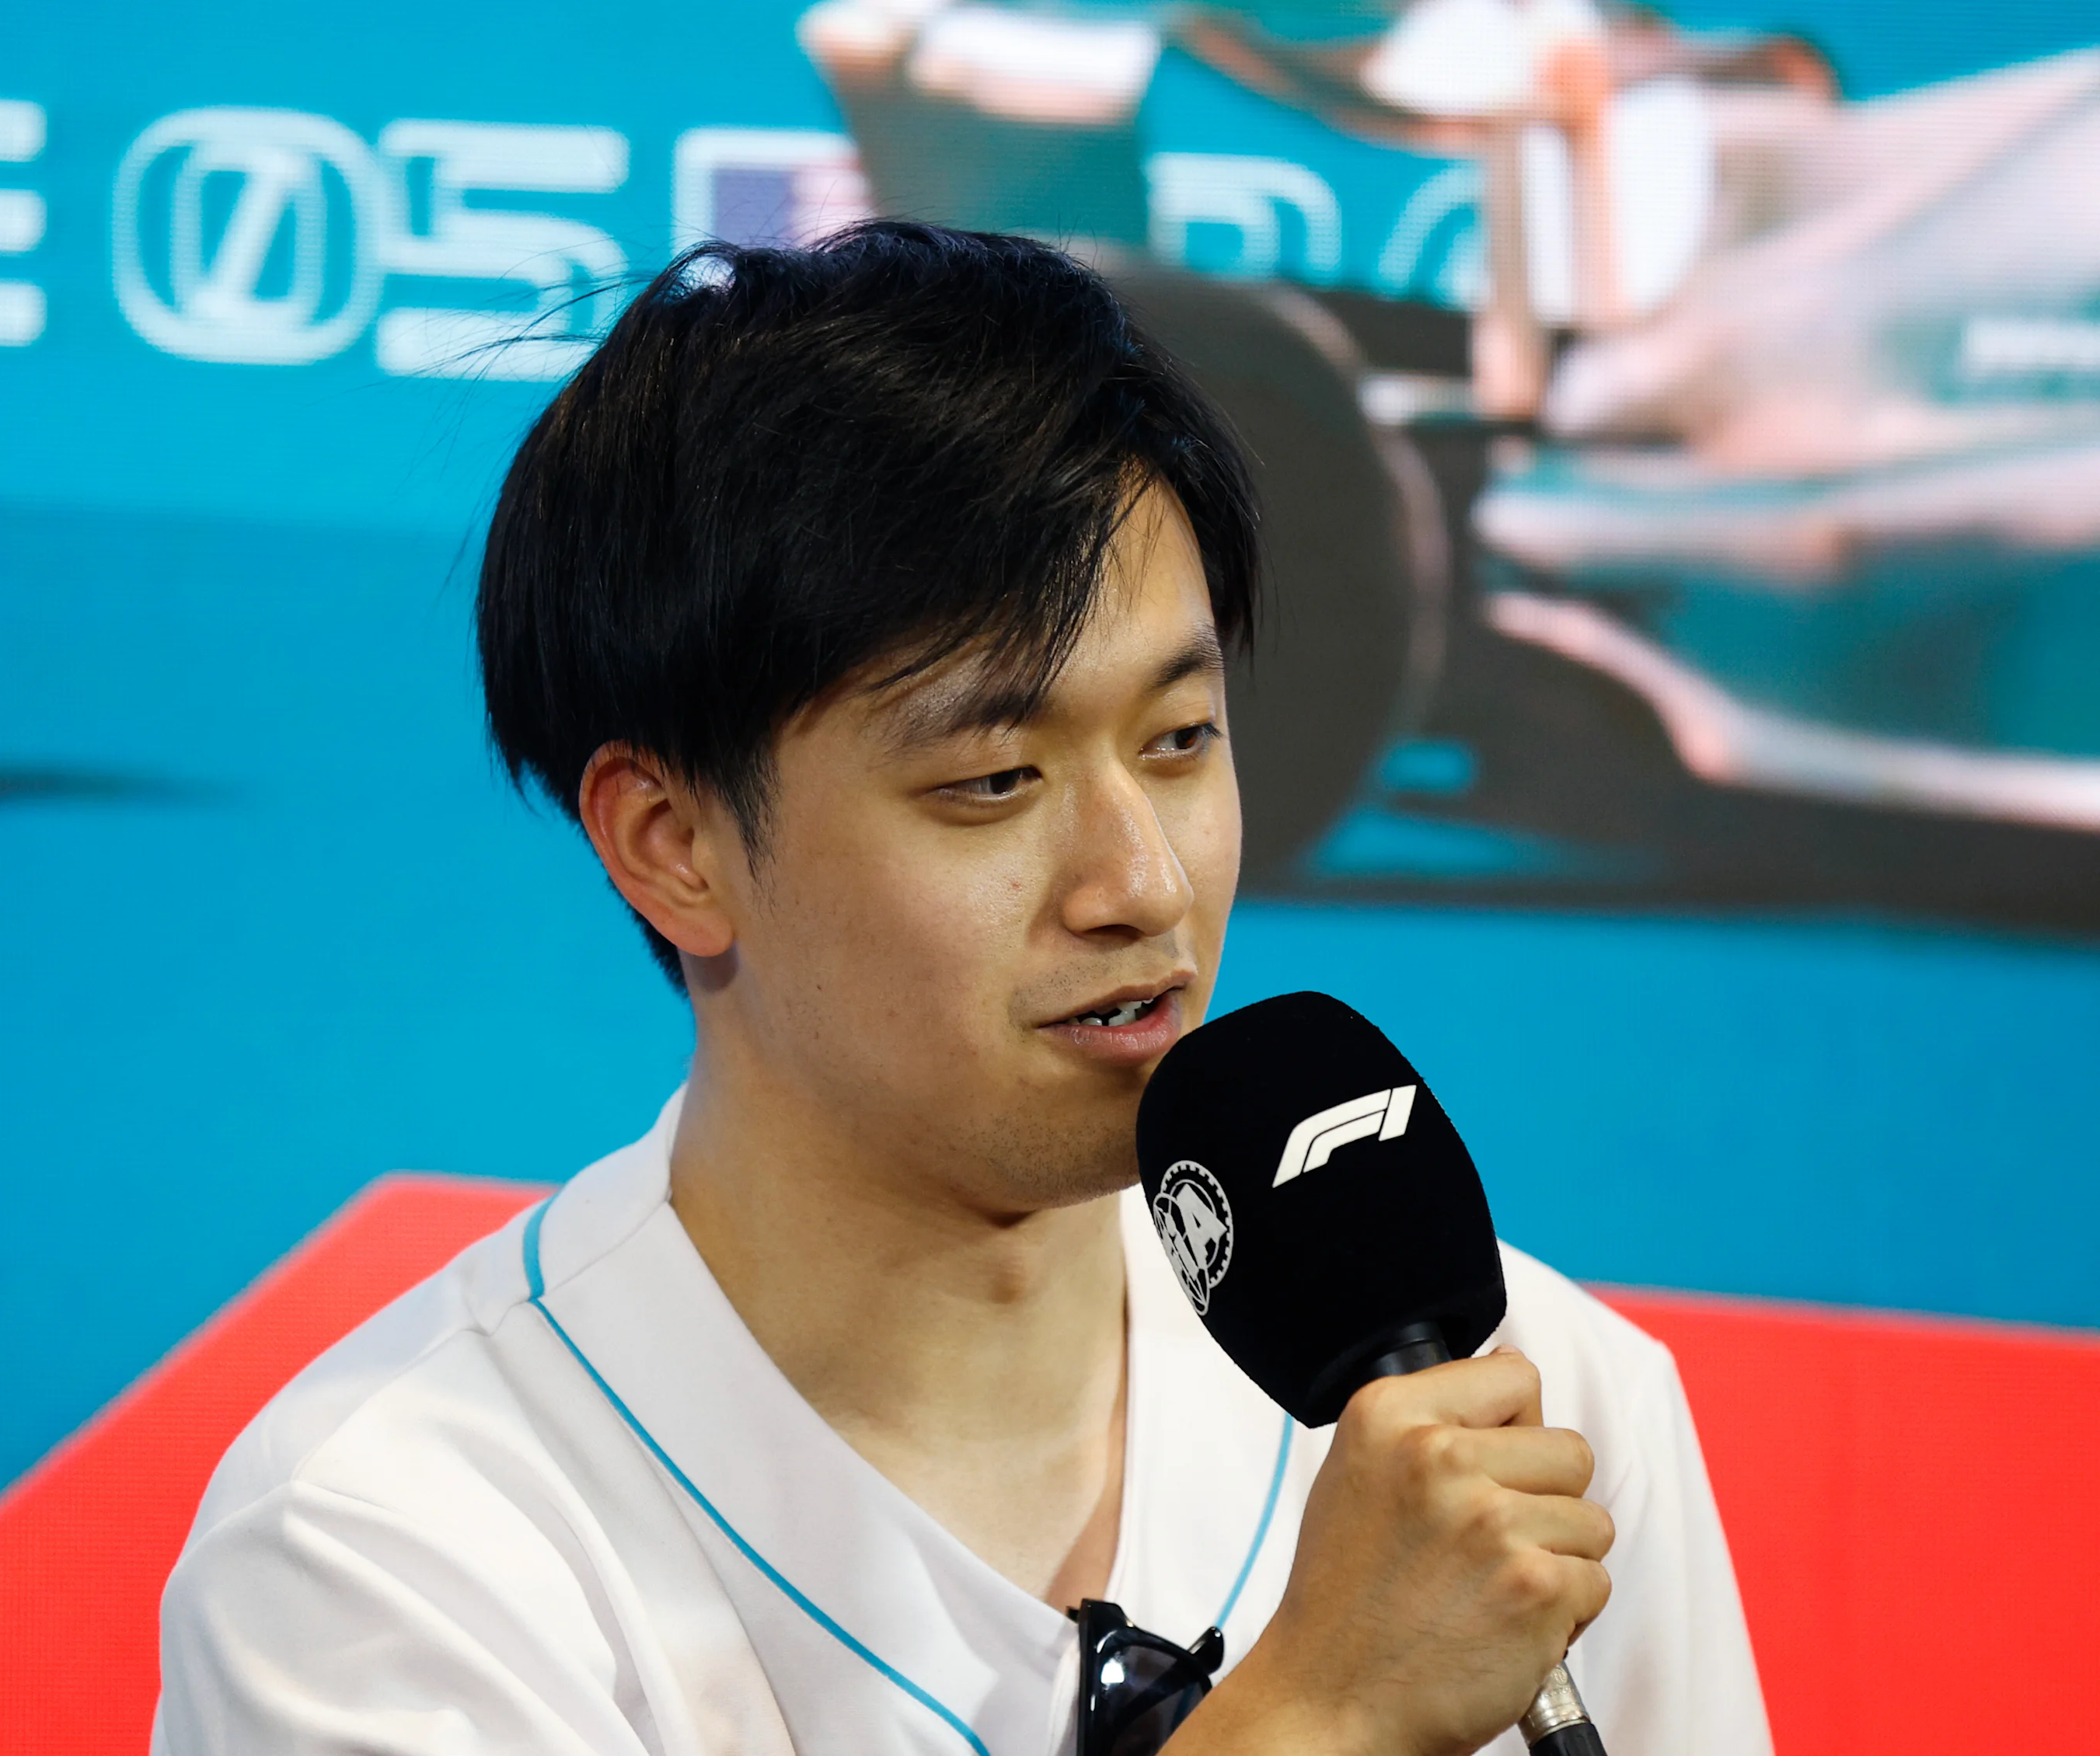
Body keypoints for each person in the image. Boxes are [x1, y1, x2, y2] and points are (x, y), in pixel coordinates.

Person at [152, 222, 1769, 1756]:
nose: (1141, 881)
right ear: (671, 843)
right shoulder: (385, 1550)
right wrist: (1317, 1717)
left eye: (1179, 739)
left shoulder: (1518, 1407)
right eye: (994, 780)